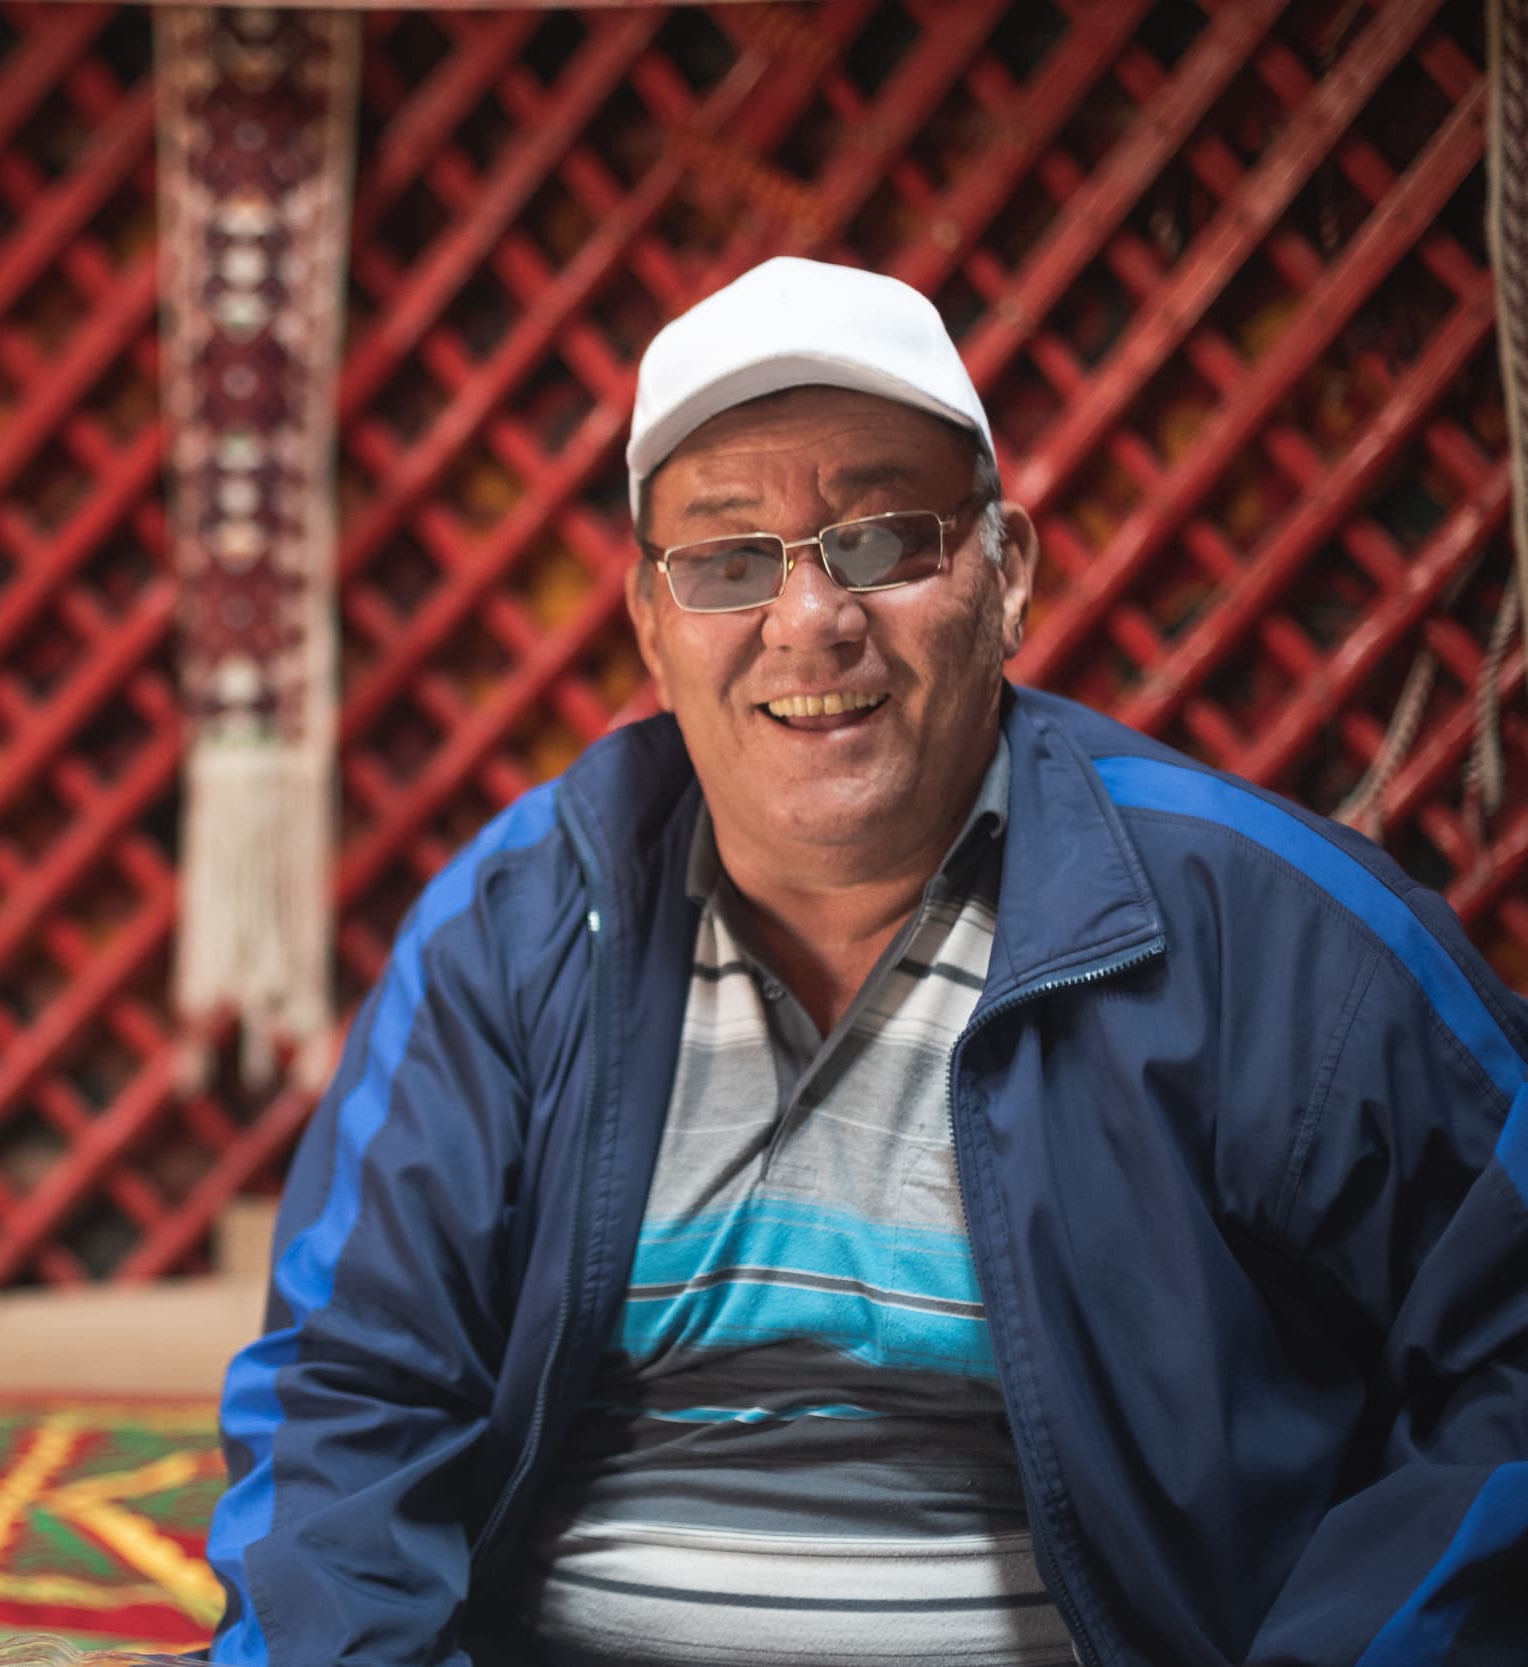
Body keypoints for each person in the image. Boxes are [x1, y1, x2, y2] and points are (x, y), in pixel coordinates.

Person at [202, 256, 1528, 1667]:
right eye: (723, 560)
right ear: (652, 629)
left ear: (1006, 574)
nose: (810, 620)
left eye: (884, 539)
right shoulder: (525, 926)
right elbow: (352, 1394)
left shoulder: (1270, 935)